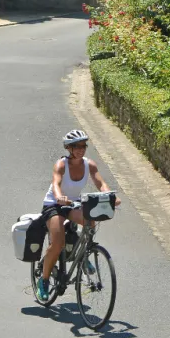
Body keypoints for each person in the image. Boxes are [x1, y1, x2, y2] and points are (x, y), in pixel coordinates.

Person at [36, 128, 119, 302]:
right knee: (57, 244)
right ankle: (43, 281)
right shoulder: (61, 164)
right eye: (76, 146)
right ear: (69, 148)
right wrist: (59, 197)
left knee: (91, 219)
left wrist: (110, 196)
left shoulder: (90, 164)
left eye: (83, 146)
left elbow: (100, 183)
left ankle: (84, 255)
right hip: (54, 205)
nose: (81, 149)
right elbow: (56, 183)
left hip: (72, 204)